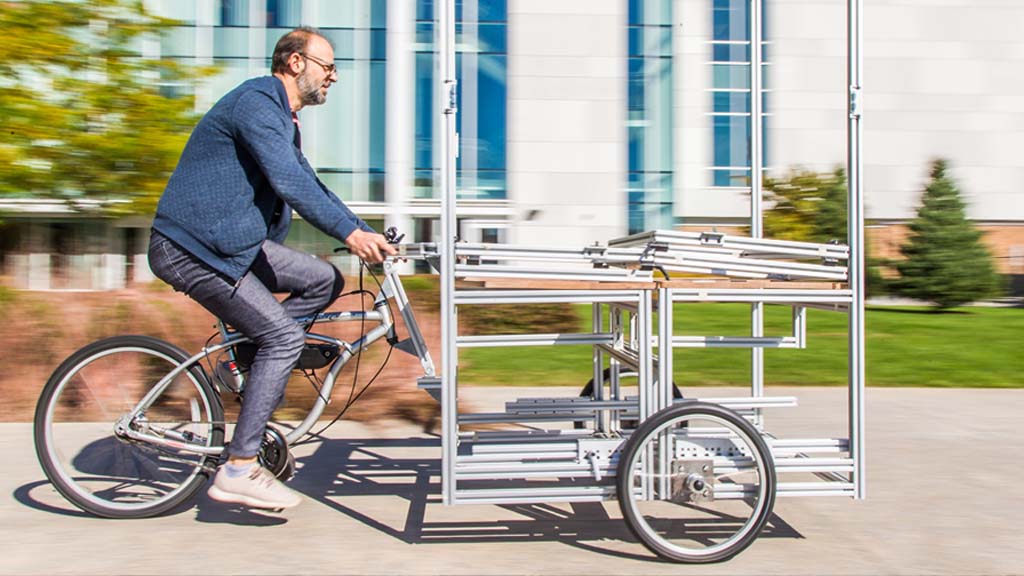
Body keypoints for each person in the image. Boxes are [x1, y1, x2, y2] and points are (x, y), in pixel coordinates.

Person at [147, 27, 396, 510]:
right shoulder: (258, 104)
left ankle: (250, 361)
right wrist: (349, 236)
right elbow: (289, 185)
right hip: (195, 248)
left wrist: (367, 232)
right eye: (328, 66)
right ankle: (239, 466)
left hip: (231, 246)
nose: (334, 77)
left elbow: (309, 183)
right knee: (283, 336)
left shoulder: (281, 117)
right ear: (297, 62)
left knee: (324, 279)